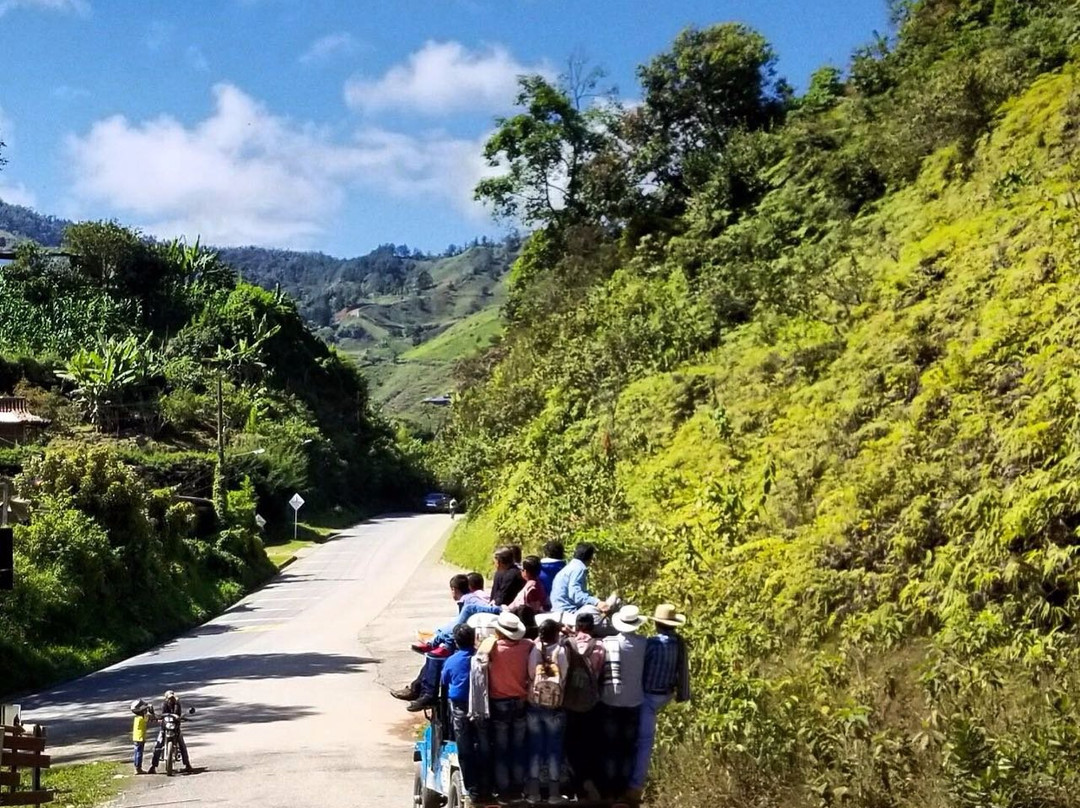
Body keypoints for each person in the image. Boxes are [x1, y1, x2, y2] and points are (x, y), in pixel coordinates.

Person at [627, 604, 691, 801]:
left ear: (656, 623)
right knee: (645, 740)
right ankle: (635, 785)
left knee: (642, 741)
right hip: (665, 694)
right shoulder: (678, 643)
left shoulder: (653, 643)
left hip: (647, 695)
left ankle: (634, 786)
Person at [598, 605, 648, 798]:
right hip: (635, 701)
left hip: (611, 700)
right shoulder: (644, 643)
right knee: (627, 746)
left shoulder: (609, 642)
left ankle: (608, 789)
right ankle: (622, 788)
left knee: (610, 745)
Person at [442, 623, 490, 801]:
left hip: (460, 708)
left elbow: (445, 681)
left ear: (456, 642)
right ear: (474, 639)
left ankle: (472, 789)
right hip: (481, 707)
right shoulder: (482, 658)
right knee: (485, 746)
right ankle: (486, 785)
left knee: (465, 749)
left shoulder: (452, 660)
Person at [487, 611, 532, 798]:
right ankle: (518, 787)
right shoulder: (527, 646)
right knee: (518, 747)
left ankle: (504, 790)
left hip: (499, 703)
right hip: (521, 702)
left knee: (501, 749)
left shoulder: (493, 648)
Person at [526, 619, 568, 803]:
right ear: (556, 634)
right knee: (554, 749)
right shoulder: (561, 651)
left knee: (535, 748)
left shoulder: (534, 651)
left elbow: (529, 674)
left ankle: (534, 792)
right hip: (555, 707)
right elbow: (564, 674)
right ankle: (553, 792)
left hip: (534, 706)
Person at [564, 613, 605, 799]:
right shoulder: (599, 646)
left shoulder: (568, 644)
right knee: (587, 742)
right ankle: (589, 779)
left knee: (570, 744)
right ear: (592, 628)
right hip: (590, 702)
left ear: (577, 626)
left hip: (570, 701)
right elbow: (599, 673)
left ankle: (574, 785)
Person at [549, 543, 610, 620]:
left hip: (558, 610)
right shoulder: (578, 569)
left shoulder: (570, 567)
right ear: (590, 557)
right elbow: (576, 595)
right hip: (568, 612)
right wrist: (597, 602)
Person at [148, 690, 192, 774]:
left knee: (182, 745)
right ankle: (153, 766)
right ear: (166, 698)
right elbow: (163, 714)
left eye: (172, 698)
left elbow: (177, 713)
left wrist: (180, 717)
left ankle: (187, 764)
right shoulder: (164, 704)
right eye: (169, 698)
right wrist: (158, 717)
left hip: (175, 727)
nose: (171, 699)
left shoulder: (177, 704)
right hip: (165, 727)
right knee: (158, 745)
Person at [130, 699, 156, 775]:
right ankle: (138, 768)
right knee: (139, 753)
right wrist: (152, 711)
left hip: (136, 738)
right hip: (140, 738)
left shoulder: (137, 718)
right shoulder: (142, 718)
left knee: (136, 752)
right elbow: (152, 717)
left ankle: (136, 767)